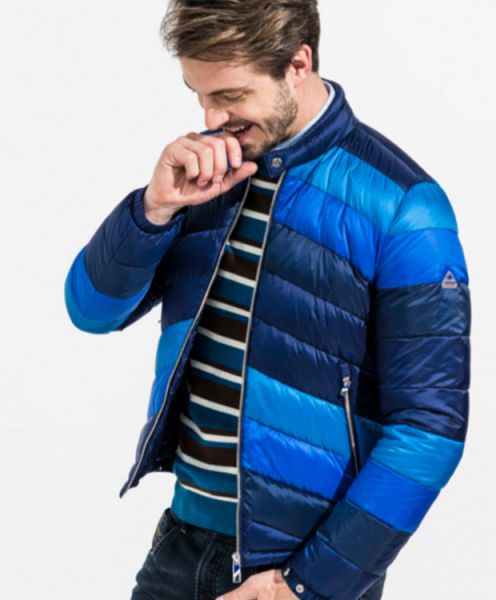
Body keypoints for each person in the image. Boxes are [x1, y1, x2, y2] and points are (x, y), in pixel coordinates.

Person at [63, 1, 471, 599]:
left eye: (230, 95)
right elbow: (91, 311)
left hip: (298, 567)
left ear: (298, 65)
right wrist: (153, 209)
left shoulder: (405, 207)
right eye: (199, 95)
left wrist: (305, 585)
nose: (212, 118)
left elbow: (430, 431)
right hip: (179, 546)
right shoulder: (206, 175)